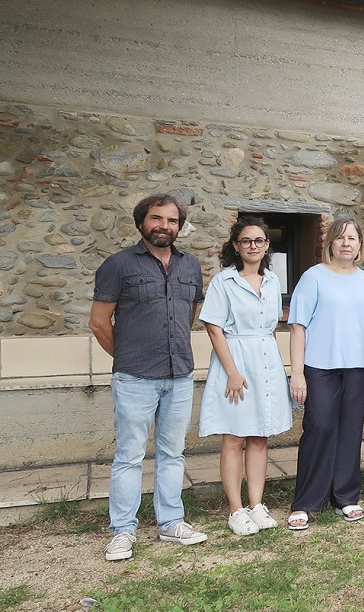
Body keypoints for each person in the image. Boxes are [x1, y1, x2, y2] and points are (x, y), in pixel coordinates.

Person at [89, 193, 208, 561]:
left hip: (180, 375)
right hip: (136, 377)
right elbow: (98, 322)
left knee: (173, 453)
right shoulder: (118, 265)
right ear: (142, 222)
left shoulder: (190, 266)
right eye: (157, 219)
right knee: (129, 455)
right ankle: (123, 531)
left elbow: (189, 314)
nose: (164, 226)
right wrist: (127, 357)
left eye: (172, 221)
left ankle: (171, 522)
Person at [286, 216, 364, 530]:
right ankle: (306, 501)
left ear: (360, 246)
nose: (346, 243)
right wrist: (297, 373)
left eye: (352, 239)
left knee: (351, 430)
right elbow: (298, 327)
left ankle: (345, 496)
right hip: (320, 367)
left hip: (360, 367)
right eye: (340, 238)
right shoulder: (313, 277)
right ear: (330, 243)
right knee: (319, 426)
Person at [197, 215, 292, 536]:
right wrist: (233, 373)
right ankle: (236, 509)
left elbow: (272, 325)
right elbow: (214, 328)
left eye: (260, 241)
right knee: (234, 436)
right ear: (236, 246)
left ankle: (257, 504)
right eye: (246, 241)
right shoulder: (224, 282)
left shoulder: (273, 280)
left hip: (266, 359)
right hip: (235, 360)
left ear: (267, 246)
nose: (253, 246)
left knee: (260, 436)